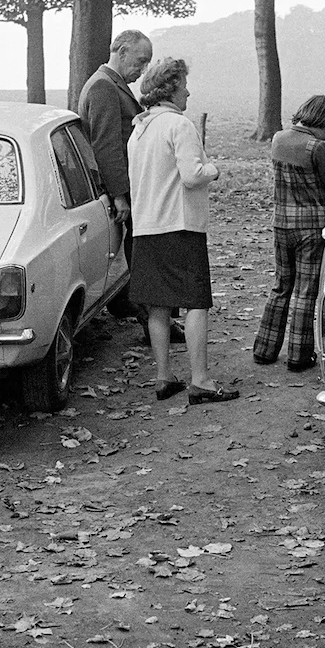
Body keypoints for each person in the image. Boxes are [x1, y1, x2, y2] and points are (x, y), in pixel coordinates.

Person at [126, 57, 239, 405]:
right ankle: (201, 380)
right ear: (172, 88)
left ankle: (163, 376)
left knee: (158, 307)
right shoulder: (179, 125)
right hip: (180, 225)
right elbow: (192, 176)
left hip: (145, 227)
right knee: (196, 304)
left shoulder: (139, 129)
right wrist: (214, 169)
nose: (188, 91)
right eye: (185, 84)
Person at [78, 30, 184, 344]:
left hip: (130, 188)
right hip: (127, 191)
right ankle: (152, 324)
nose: (143, 69)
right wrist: (120, 195)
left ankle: (146, 315)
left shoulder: (111, 84)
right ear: (122, 52)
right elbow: (107, 147)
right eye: (140, 60)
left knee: (140, 255)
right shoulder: (103, 87)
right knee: (142, 257)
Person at [252, 95, 325, 371]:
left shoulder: (278, 138)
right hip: (311, 226)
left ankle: (264, 350)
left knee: (281, 286)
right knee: (305, 290)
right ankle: (299, 356)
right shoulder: (318, 147)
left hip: (281, 222)